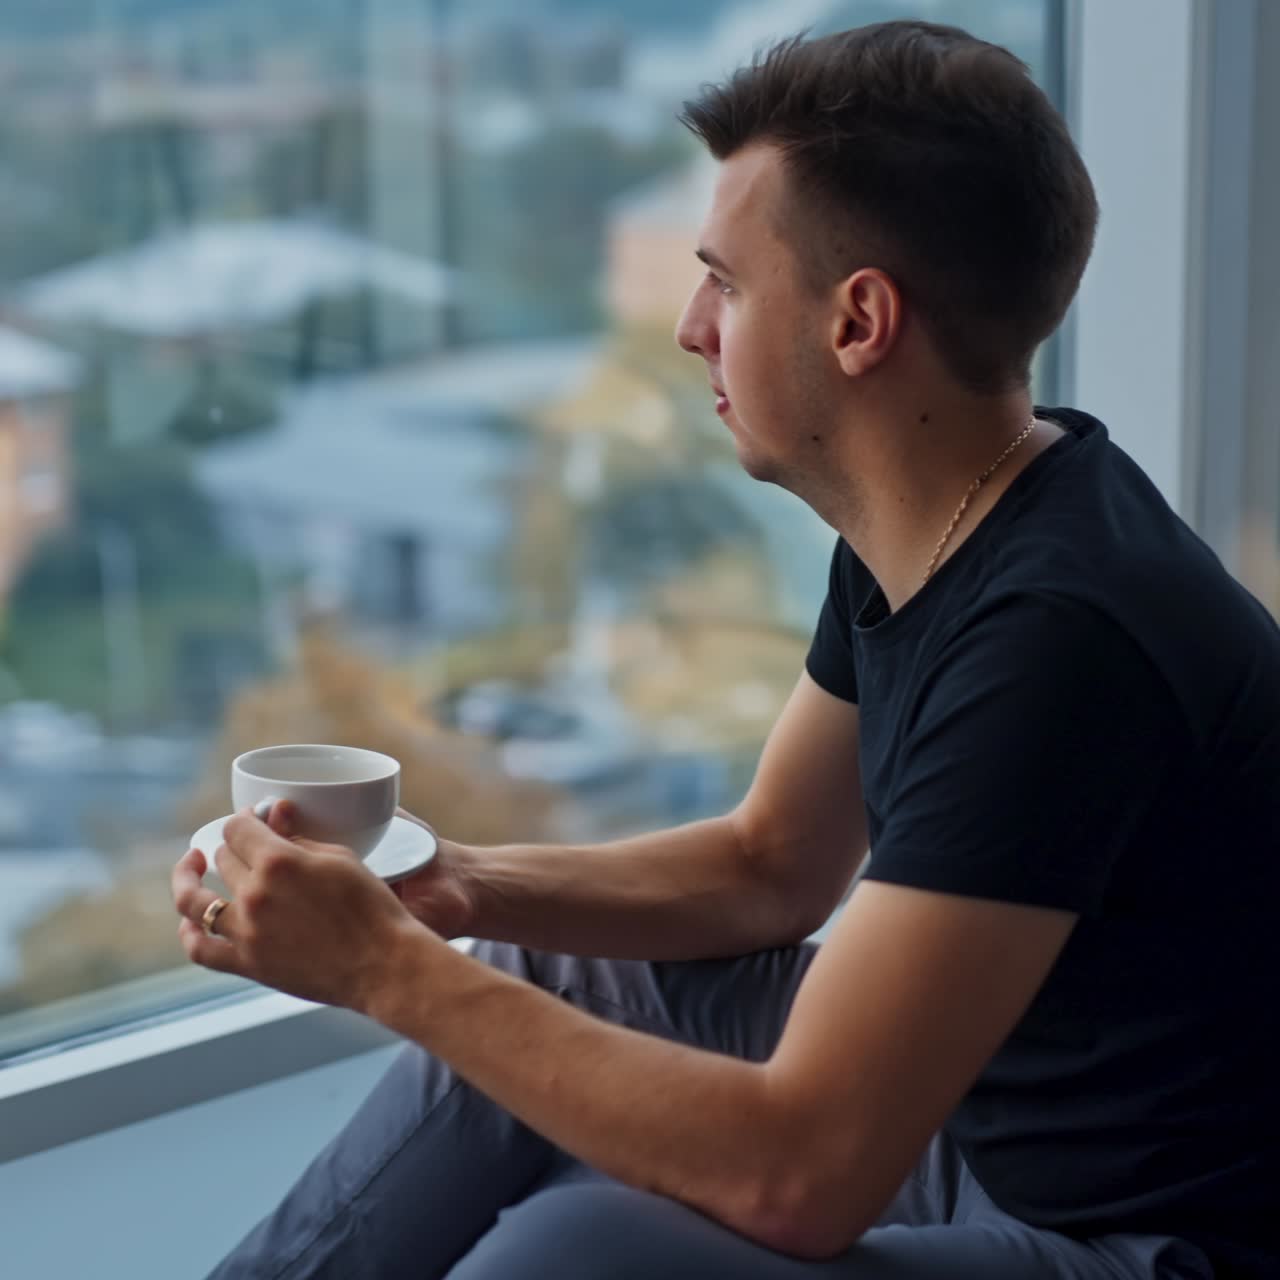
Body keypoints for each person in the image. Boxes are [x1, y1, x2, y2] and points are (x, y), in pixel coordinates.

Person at [172, 20, 1280, 1280]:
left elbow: (799, 1175)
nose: (693, 326)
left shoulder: (1058, 640)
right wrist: (452, 885)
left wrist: (381, 968)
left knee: (577, 1254)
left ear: (858, 320)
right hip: (995, 1129)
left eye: (729, 281)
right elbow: (767, 866)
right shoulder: (948, 513)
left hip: (1149, 1240)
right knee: (551, 963)